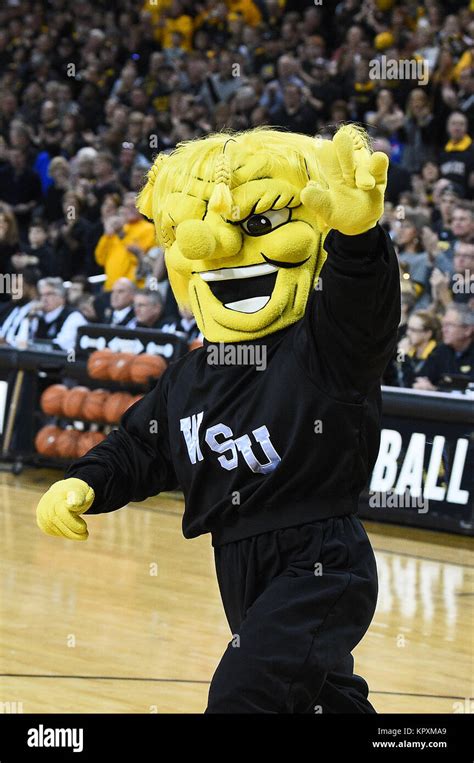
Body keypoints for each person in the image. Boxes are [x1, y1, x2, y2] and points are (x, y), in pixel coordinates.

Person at [36, 125, 400, 714]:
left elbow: (366, 308)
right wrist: (86, 481)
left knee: (244, 696)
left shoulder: (322, 348)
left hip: (321, 558)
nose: (220, 249)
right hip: (237, 558)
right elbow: (140, 447)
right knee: (324, 700)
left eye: (256, 227)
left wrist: (357, 237)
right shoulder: (191, 375)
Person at [414, 304, 474, 389]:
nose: (444, 330)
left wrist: (435, 391)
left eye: (449, 325)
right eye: (443, 325)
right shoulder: (440, 351)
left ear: (467, 330)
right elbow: (421, 379)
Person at [27, 276, 87, 352]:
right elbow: (23, 341)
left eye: (48, 294)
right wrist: (28, 319)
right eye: (42, 295)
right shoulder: (38, 316)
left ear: (61, 296)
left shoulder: (74, 316)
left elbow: (62, 345)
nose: (44, 299)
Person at [395, 310, 441, 388]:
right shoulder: (409, 350)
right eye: (408, 328)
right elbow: (399, 373)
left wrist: (404, 356)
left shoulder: (437, 354)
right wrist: (401, 354)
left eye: (413, 330)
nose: (408, 333)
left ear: (427, 334)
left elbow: (413, 382)